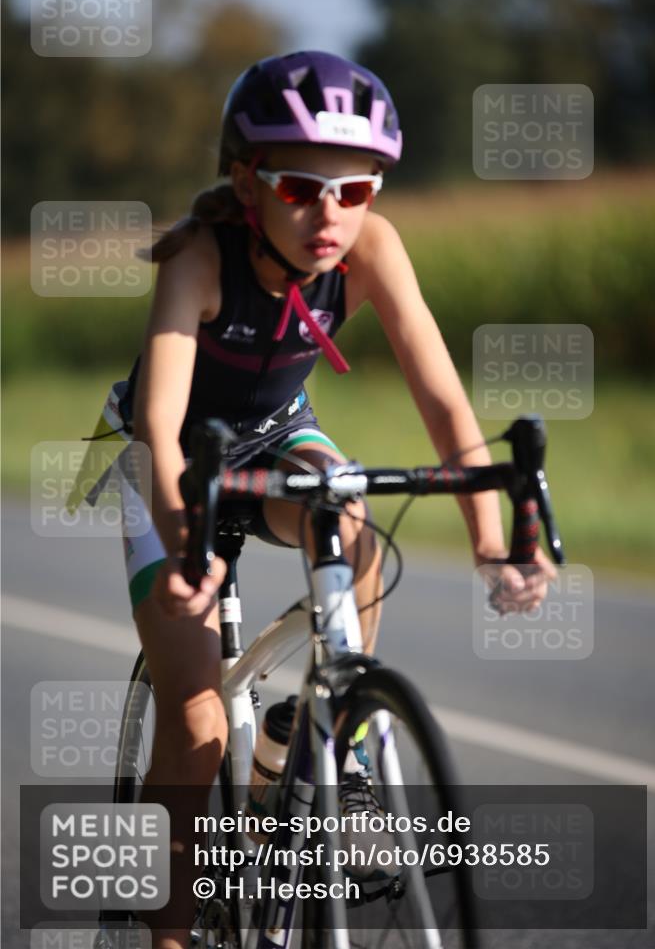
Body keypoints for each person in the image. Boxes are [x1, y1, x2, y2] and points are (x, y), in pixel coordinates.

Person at [79, 51, 555, 949]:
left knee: (353, 521)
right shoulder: (197, 255)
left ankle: (321, 730)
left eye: (356, 190)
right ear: (246, 182)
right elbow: (159, 418)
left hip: (274, 430)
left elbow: (444, 401)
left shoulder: (369, 248)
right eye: (300, 188)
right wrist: (187, 548)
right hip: (168, 454)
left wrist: (491, 542)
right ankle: (162, 935)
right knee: (195, 721)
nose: (328, 216)